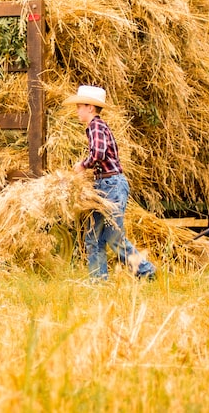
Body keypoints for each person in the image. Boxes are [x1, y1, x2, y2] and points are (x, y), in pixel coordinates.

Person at [69, 86, 156, 281]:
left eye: (79, 107)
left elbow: (98, 154)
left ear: (90, 108)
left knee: (114, 237)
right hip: (105, 186)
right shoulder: (97, 126)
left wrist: (82, 165)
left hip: (110, 186)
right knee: (93, 237)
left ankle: (146, 271)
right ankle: (98, 281)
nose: (77, 111)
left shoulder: (95, 127)